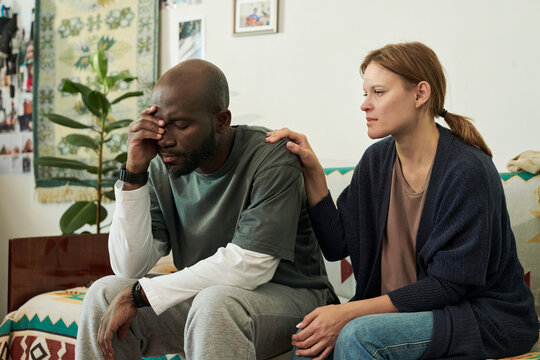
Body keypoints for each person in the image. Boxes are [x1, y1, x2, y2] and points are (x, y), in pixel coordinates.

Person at [266, 41, 539, 360]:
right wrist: (313, 172)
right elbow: (337, 245)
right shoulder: (375, 162)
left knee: (359, 335)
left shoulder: (467, 171)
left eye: (378, 92)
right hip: (401, 317)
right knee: (309, 349)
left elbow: (447, 287)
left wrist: (348, 312)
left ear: (420, 94)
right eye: (364, 93)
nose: (365, 105)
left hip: (478, 318)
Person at [75, 59, 336, 360]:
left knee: (216, 303)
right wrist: (134, 172)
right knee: (104, 294)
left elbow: (251, 266)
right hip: (209, 299)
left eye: (182, 125)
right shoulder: (162, 166)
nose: (166, 140)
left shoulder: (271, 156)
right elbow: (129, 267)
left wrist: (141, 294)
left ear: (222, 120)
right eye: (160, 125)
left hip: (295, 300)